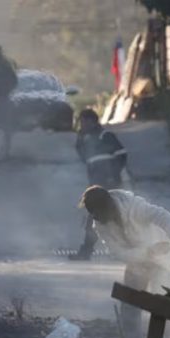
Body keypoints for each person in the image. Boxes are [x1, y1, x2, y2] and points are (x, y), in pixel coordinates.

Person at [78, 185, 170, 338]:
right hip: (136, 263)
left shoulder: (133, 206)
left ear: (108, 207)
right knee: (129, 309)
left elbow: (161, 215)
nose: (97, 218)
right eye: (94, 215)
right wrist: (147, 252)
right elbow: (118, 253)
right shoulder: (100, 224)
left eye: (98, 213)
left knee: (163, 308)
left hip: (160, 261)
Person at [70, 109, 130, 261]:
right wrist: (80, 137)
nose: (82, 125)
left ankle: (128, 249)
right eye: (81, 122)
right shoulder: (85, 139)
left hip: (110, 183)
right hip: (96, 185)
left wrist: (112, 174)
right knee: (98, 217)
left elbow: (121, 155)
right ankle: (87, 251)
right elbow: (83, 155)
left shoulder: (105, 135)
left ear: (92, 121)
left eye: (84, 121)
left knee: (114, 217)